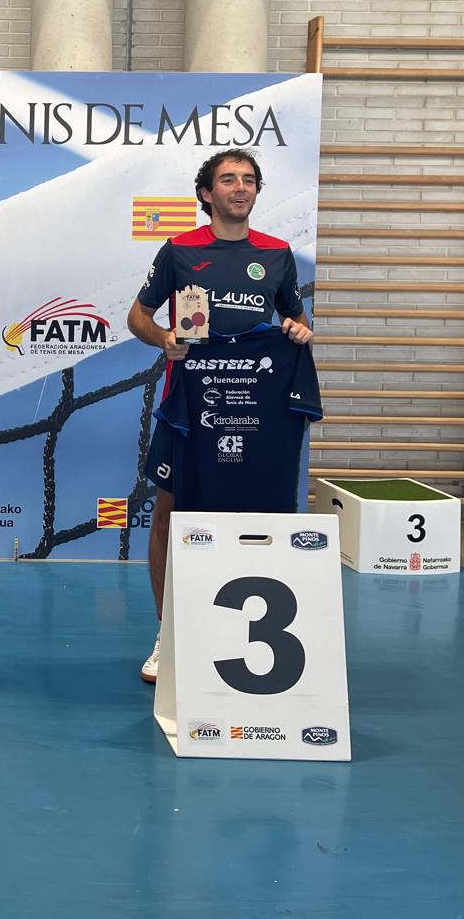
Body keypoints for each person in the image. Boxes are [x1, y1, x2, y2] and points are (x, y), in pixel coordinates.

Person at [126, 148, 313, 684]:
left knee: (255, 518)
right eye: (228, 179)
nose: (240, 187)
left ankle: (246, 630)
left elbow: (295, 319)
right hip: (189, 407)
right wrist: (164, 338)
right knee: (170, 513)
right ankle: (167, 633)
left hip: (255, 409)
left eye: (248, 179)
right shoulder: (179, 250)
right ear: (206, 193)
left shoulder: (277, 253)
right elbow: (137, 316)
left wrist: (299, 330)